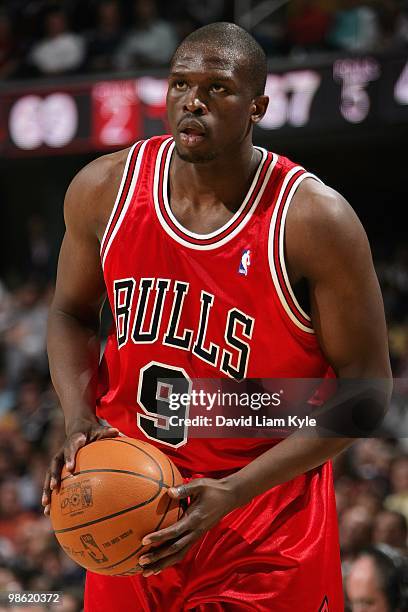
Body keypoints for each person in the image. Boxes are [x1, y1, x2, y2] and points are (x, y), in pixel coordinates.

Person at [42, 22, 391, 612]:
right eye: (180, 83)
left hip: (263, 528)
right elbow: (70, 313)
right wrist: (78, 419)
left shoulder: (313, 221)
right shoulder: (104, 189)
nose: (193, 100)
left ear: (257, 106)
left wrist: (231, 492)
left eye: (217, 88)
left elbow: (367, 394)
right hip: (134, 517)